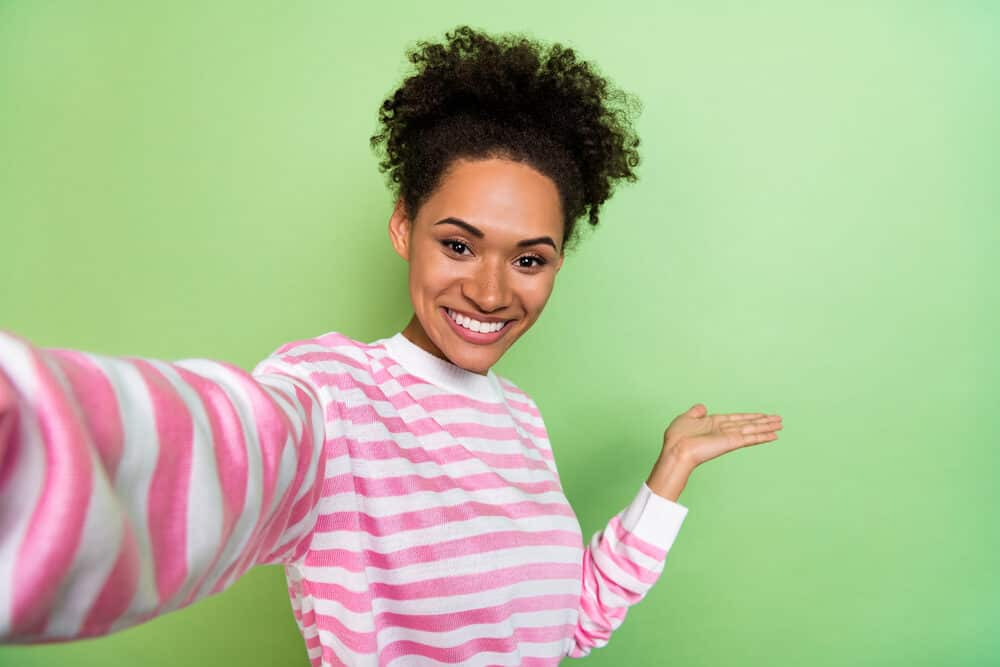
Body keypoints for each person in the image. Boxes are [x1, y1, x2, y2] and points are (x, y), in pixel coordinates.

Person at [0, 25, 783, 666]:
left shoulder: (520, 417)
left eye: (530, 258)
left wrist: (666, 477)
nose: (490, 291)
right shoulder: (331, 393)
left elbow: (565, 627)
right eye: (457, 244)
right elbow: (199, 455)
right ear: (404, 226)